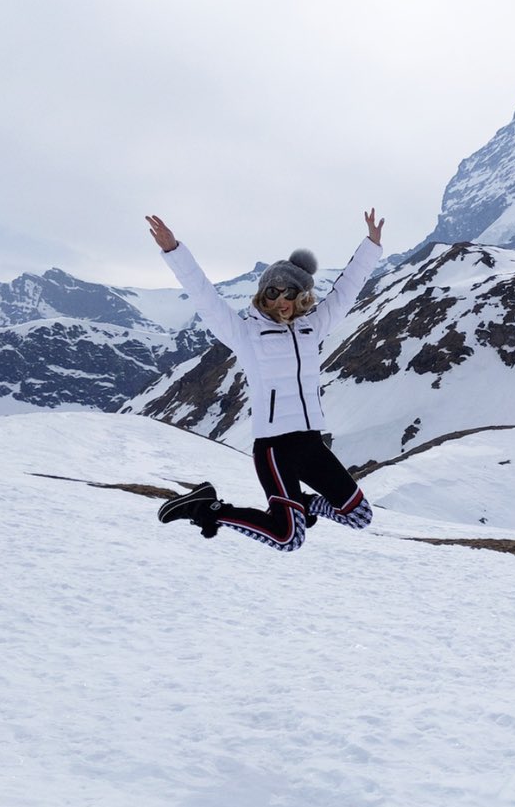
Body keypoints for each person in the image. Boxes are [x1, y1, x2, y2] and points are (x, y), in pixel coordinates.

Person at [146, 209, 384, 551]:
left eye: (290, 293)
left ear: (301, 296)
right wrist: (173, 250)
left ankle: (300, 506)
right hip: (275, 448)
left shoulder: (312, 327)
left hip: (311, 444)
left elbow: (346, 292)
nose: (281, 301)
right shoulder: (246, 334)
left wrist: (371, 246)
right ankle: (207, 508)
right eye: (273, 292)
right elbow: (205, 298)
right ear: (263, 294)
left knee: (359, 516)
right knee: (288, 538)